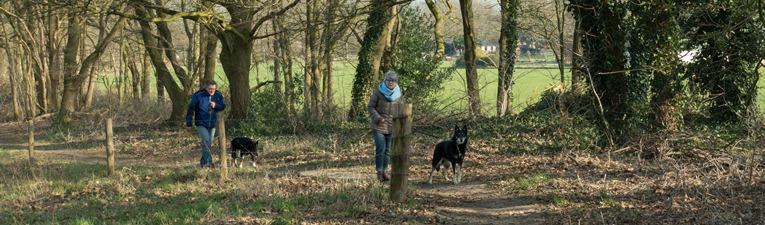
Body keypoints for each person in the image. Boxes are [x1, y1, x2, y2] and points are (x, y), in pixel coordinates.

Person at [367, 70, 404, 182]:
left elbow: (401, 109)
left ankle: (385, 171)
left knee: (387, 150)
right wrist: (377, 117)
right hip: (378, 126)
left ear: (396, 82)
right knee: (380, 149)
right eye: (388, 80)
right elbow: (370, 107)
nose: (390, 82)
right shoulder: (378, 92)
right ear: (385, 80)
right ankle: (379, 172)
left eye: (392, 80)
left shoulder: (398, 95)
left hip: (391, 127)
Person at [186, 80, 226, 168]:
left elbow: (223, 106)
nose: (212, 91)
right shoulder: (198, 95)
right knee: (206, 142)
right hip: (201, 123)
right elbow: (190, 110)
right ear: (206, 88)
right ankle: (208, 163)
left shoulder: (218, 95)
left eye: (214, 89)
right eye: (210, 89)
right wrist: (189, 123)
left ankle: (203, 163)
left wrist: (216, 106)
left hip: (213, 123)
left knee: (208, 143)